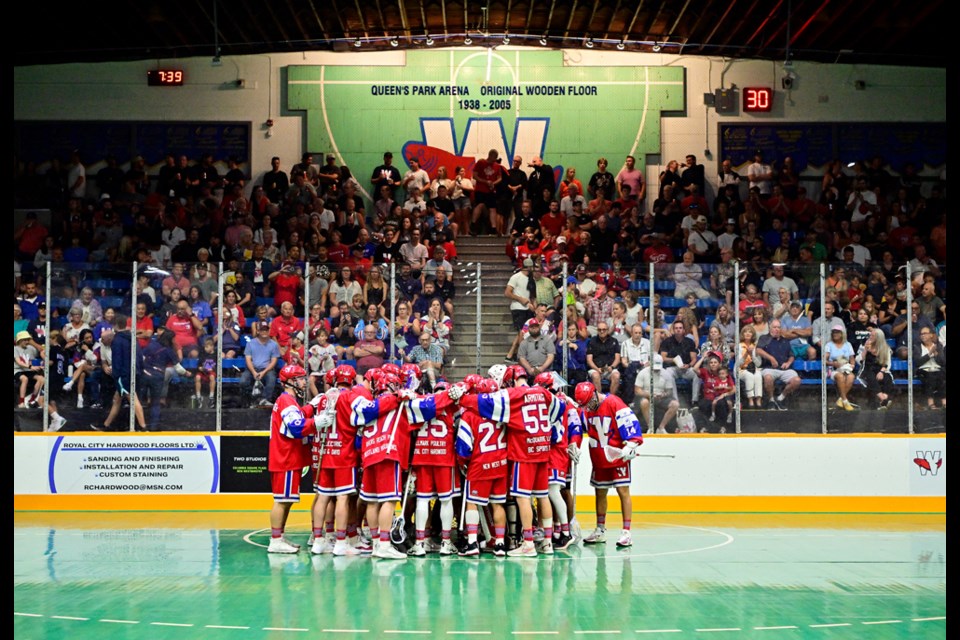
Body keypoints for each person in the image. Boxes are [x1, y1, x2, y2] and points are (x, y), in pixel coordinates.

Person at [457, 366, 563, 557]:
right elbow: (560, 409)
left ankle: (528, 543)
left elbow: (483, 403)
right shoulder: (543, 392)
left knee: (523, 498)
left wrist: (461, 398)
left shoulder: (511, 395)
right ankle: (547, 543)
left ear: (512, 380)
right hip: (542, 451)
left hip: (523, 454)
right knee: (543, 496)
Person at [575, 381, 644, 548]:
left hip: (618, 457)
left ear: (594, 393)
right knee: (600, 492)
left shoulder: (613, 402)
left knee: (623, 491)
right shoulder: (586, 408)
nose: (587, 408)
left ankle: (626, 532)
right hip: (599, 458)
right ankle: (600, 530)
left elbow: (630, 424)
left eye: (588, 403)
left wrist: (631, 445)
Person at [266, 365, 322, 554]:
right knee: (281, 500)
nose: (304, 381)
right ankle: (275, 540)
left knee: (286, 500)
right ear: (289, 382)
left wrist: (311, 407)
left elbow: (298, 415)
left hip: (287, 458)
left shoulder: (288, 401)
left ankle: (279, 536)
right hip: (286, 458)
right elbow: (295, 425)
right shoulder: (287, 402)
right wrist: (317, 422)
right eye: (299, 378)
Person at [757, 319, 801, 410]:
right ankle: (771, 400)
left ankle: (780, 398)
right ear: (770, 328)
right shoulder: (764, 338)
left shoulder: (785, 340)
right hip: (769, 368)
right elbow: (758, 350)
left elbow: (791, 355)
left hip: (784, 369)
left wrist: (788, 362)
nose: (777, 329)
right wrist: (771, 358)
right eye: (774, 327)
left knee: (797, 380)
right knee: (768, 378)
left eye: (778, 327)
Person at [242, 321, 281, 408]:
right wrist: (253, 372)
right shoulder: (250, 343)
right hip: (252, 368)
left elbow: (274, 361)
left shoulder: (274, 345)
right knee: (243, 381)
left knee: (271, 379)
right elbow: (248, 359)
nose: (264, 332)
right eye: (262, 330)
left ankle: (264, 399)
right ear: (258, 331)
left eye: (266, 330)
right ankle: (250, 400)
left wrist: (264, 372)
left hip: (267, 369)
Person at [660, 319, 699, 404]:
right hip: (673, 368)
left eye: (680, 328)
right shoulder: (667, 341)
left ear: (684, 330)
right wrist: (673, 359)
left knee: (697, 374)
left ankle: (695, 400)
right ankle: (675, 400)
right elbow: (663, 358)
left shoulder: (690, 342)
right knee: (668, 373)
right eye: (676, 328)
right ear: (673, 330)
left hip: (686, 368)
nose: (678, 329)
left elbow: (694, 359)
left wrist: (688, 365)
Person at [694, 353, 736, 429]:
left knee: (721, 404)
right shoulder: (705, 372)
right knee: (703, 405)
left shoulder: (723, 374)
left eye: (715, 362)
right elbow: (695, 369)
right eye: (711, 362)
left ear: (719, 364)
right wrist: (703, 357)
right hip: (708, 397)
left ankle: (723, 427)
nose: (713, 364)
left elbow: (734, 389)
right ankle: (703, 427)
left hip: (720, 397)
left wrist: (725, 394)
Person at [856, 327, 895, 410]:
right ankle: (884, 399)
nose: (870, 337)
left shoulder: (885, 348)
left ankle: (882, 403)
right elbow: (859, 360)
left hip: (881, 369)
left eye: (873, 336)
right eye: (871, 335)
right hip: (867, 369)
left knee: (887, 378)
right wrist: (865, 350)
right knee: (871, 377)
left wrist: (881, 372)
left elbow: (887, 363)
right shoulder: (865, 344)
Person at [586, 321, 621, 397]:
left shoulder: (614, 341)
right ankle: (599, 400)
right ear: (597, 330)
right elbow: (589, 360)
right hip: (596, 368)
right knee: (595, 376)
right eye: (599, 329)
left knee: (616, 375)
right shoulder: (592, 341)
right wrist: (596, 368)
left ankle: (611, 400)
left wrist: (612, 367)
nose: (602, 331)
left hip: (610, 368)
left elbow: (617, 359)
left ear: (608, 330)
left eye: (604, 329)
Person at [825, 326, 857, 411]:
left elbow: (852, 359)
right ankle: (845, 401)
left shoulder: (848, 344)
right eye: (834, 332)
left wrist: (852, 365)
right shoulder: (829, 345)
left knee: (851, 377)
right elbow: (824, 360)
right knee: (840, 376)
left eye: (837, 332)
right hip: (832, 369)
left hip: (845, 368)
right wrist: (833, 363)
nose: (835, 334)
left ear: (842, 334)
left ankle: (840, 400)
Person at [914, 326, 946, 410]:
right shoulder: (917, 347)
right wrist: (929, 354)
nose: (922, 335)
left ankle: (944, 402)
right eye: (921, 334)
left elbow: (943, 362)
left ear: (931, 335)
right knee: (930, 376)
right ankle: (930, 402)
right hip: (923, 370)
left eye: (925, 333)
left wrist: (936, 354)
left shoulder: (938, 346)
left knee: (941, 375)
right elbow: (917, 362)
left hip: (937, 369)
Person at [737, 324, 764, 409]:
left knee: (758, 375)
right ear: (742, 334)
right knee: (749, 376)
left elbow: (759, 364)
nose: (748, 333)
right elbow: (738, 364)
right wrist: (746, 354)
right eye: (745, 332)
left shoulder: (756, 347)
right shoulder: (738, 346)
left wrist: (752, 356)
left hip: (753, 368)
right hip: (741, 369)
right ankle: (750, 399)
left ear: (753, 334)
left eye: (750, 332)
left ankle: (758, 399)